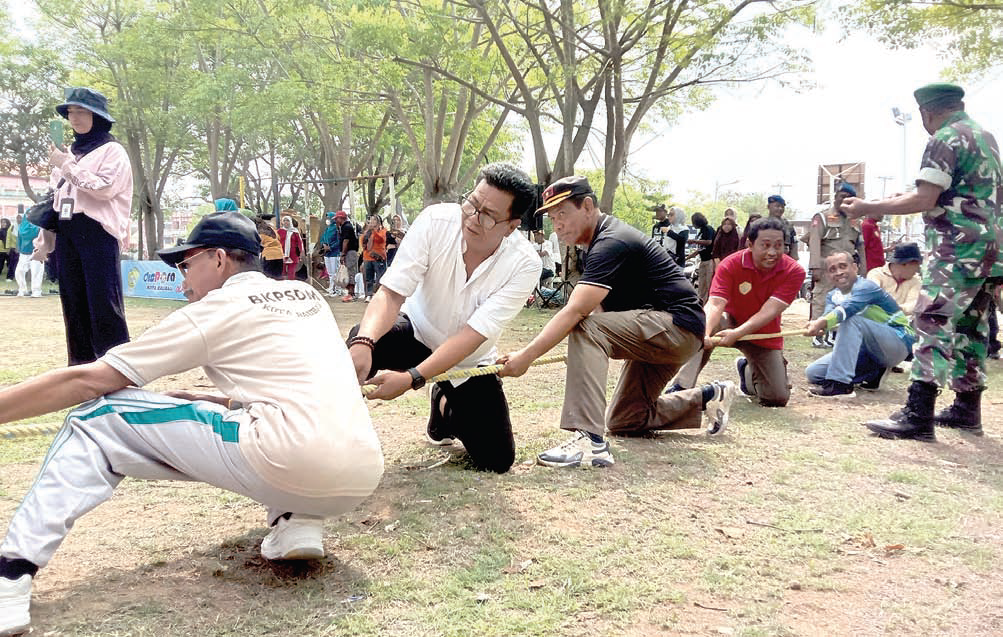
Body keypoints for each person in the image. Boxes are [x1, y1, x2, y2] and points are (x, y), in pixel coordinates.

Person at [0, 212, 384, 637]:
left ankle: (10, 573)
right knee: (259, 420)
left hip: (288, 458)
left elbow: (90, 380)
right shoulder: (304, 294)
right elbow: (298, 384)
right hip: (363, 471)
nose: (182, 281)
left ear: (219, 259)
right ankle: (297, 521)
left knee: (97, 418)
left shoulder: (216, 308)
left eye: (186, 265)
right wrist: (220, 401)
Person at [499, 176, 733, 470]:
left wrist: (526, 357)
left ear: (587, 206)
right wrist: (583, 355)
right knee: (625, 419)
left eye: (562, 215)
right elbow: (602, 313)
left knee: (583, 327)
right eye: (552, 218)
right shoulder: (597, 245)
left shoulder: (611, 241)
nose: (557, 225)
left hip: (676, 327)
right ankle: (707, 398)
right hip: (666, 333)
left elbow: (576, 314)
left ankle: (588, 440)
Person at [347, 162, 540, 474]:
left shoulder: (524, 264)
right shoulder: (436, 221)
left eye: (488, 215)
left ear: (512, 225)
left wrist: (412, 378)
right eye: (472, 203)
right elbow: (392, 293)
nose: (473, 219)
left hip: (467, 360)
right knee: (363, 339)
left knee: (496, 459)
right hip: (416, 332)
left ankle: (445, 405)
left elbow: (471, 335)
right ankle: (332, 437)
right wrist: (363, 342)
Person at [841, 83, 1002, 440]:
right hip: (990, 249)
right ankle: (966, 408)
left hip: (957, 247)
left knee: (931, 318)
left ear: (928, 113)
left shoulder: (945, 138)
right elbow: (949, 192)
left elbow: (926, 197)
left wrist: (870, 208)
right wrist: (902, 196)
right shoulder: (983, 136)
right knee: (971, 327)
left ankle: (918, 414)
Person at [35, 87, 132, 366]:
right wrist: (46, 238)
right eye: (71, 112)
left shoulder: (112, 151)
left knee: (103, 304)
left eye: (82, 112)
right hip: (67, 231)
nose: (74, 118)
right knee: (73, 305)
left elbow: (103, 189)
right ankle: (80, 369)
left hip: (98, 233)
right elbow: (57, 199)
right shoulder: (69, 154)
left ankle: (115, 371)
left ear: (98, 117)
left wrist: (67, 165)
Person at [670, 217, 806, 407]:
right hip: (728, 322)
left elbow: (771, 309)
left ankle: (747, 370)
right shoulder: (730, 264)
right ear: (750, 244)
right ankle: (681, 388)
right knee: (702, 325)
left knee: (776, 398)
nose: (773, 252)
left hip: (763, 332)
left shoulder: (795, 271)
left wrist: (739, 333)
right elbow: (716, 303)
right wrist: (706, 332)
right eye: (765, 245)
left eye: (778, 245)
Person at [804, 252, 914, 397]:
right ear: (828, 275)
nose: (838, 272)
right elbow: (828, 317)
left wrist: (823, 322)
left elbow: (847, 309)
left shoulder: (866, 287)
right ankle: (873, 372)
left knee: (851, 319)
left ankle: (841, 385)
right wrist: (818, 326)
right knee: (814, 373)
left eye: (843, 266)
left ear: (855, 268)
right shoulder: (832, 296)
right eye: (832, 270)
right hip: (867, 349)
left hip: (898, 342)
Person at [800, 183, 862, 344]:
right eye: (842, 196)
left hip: (846, 269)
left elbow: (860, 247)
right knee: (822, 299)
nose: (845, 200)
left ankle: (835, 335)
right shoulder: (822, 217)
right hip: (826, 267)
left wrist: (865, 271)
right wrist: (815, 267)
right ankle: (818, 335)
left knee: (843, 300)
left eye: (849, 198)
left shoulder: (855, 221)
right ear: (835, 197)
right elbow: (814, 242)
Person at [867, 242, 922, 316]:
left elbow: (912, 304)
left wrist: (894, 309)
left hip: (900, 323)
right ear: (905, 264)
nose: (918, 269)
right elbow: (873, 297)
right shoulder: (876, 274)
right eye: (916, 265)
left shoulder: (916, 281)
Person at [687, 212, 716, 303]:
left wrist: (694, 241)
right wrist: (687, 258)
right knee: (701, 284)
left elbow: (708, 242)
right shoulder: (701, 232)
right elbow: (700, 249)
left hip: (709, 260)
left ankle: (708, 303)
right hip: (702, 260)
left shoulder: (708, 229)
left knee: (708, 284)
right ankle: (700, 302)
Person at [14, 216, 43, 297]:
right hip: (24, 252)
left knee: (36, 272)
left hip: (37, 251)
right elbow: (19, 238)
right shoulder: (21, 226)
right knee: (19, 271)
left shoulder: (39, 226)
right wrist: (19, 247)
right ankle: (22, 289)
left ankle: (36, 291)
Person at [361, 215, 388, 302]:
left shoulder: (383, 231)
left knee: (380, 277)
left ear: (378, 222)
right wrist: (368, 231)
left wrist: (374, 231)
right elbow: (363, 242)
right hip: (367, 257)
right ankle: (369, 294)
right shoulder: (367, 231)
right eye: (370, 220)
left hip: (378, 257)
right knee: (369, 277)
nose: (371, 222)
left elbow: (381, 239)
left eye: (373, 220)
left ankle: (379, 294)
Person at [336, 211, 360, 302]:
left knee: (350, 272)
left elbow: (346, 241)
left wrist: (343, 253)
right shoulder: (345, 227)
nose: (336, 221)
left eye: (337, 218)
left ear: (341, 218)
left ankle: (351, 293)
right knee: (349, 271)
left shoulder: (346, 227)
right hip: (349, 251)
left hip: (350, 252)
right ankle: (350, 293)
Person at [253, 213, 285, 280]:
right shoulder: (273, 230)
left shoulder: (258, 232)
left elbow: (257, 244)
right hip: (279, 255)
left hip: (268, 256)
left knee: (268, 277)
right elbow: (278, 238)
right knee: (278, 277)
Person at [766, 194, 798, 259]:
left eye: (782, 207)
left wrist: (794, 260)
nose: (780, 209)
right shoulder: (761, 224)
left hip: (784, 259)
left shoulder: (788, 225)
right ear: (768, 206)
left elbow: (794, 244)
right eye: (777, 206)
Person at [319, 211, 342, 296]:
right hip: (327, 253)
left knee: (335, 272)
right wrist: (324, 245)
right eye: (327, 218)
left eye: (329, 218)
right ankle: (331, 288)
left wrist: (331, 247)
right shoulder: (327, 229)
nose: (327, 220)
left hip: (334, 253)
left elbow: (339, 240)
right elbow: (322, 238)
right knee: (330, 273)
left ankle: (337, 289)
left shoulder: (337, 228)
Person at [277, 214, 302, 280]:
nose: (286, 222)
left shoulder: (295, 232)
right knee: (282, 272)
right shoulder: (279, 231)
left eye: (287, 220)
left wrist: (301, 253)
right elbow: (276, 242)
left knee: (291, 272)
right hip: (282, 253)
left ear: (290, 222)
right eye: (284, 220)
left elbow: (300, 243)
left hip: (293, 254)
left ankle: (292, 286)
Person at [4, 214, 18, 281]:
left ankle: (19, 277)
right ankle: (10, 277)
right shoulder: (12, 227)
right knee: (12, 263)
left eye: (20, 218)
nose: (19, 219)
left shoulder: (24, 226)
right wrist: (8, 248)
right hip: (13, 248)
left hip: (22, 249)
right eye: (17, 218)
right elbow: (8, 237)